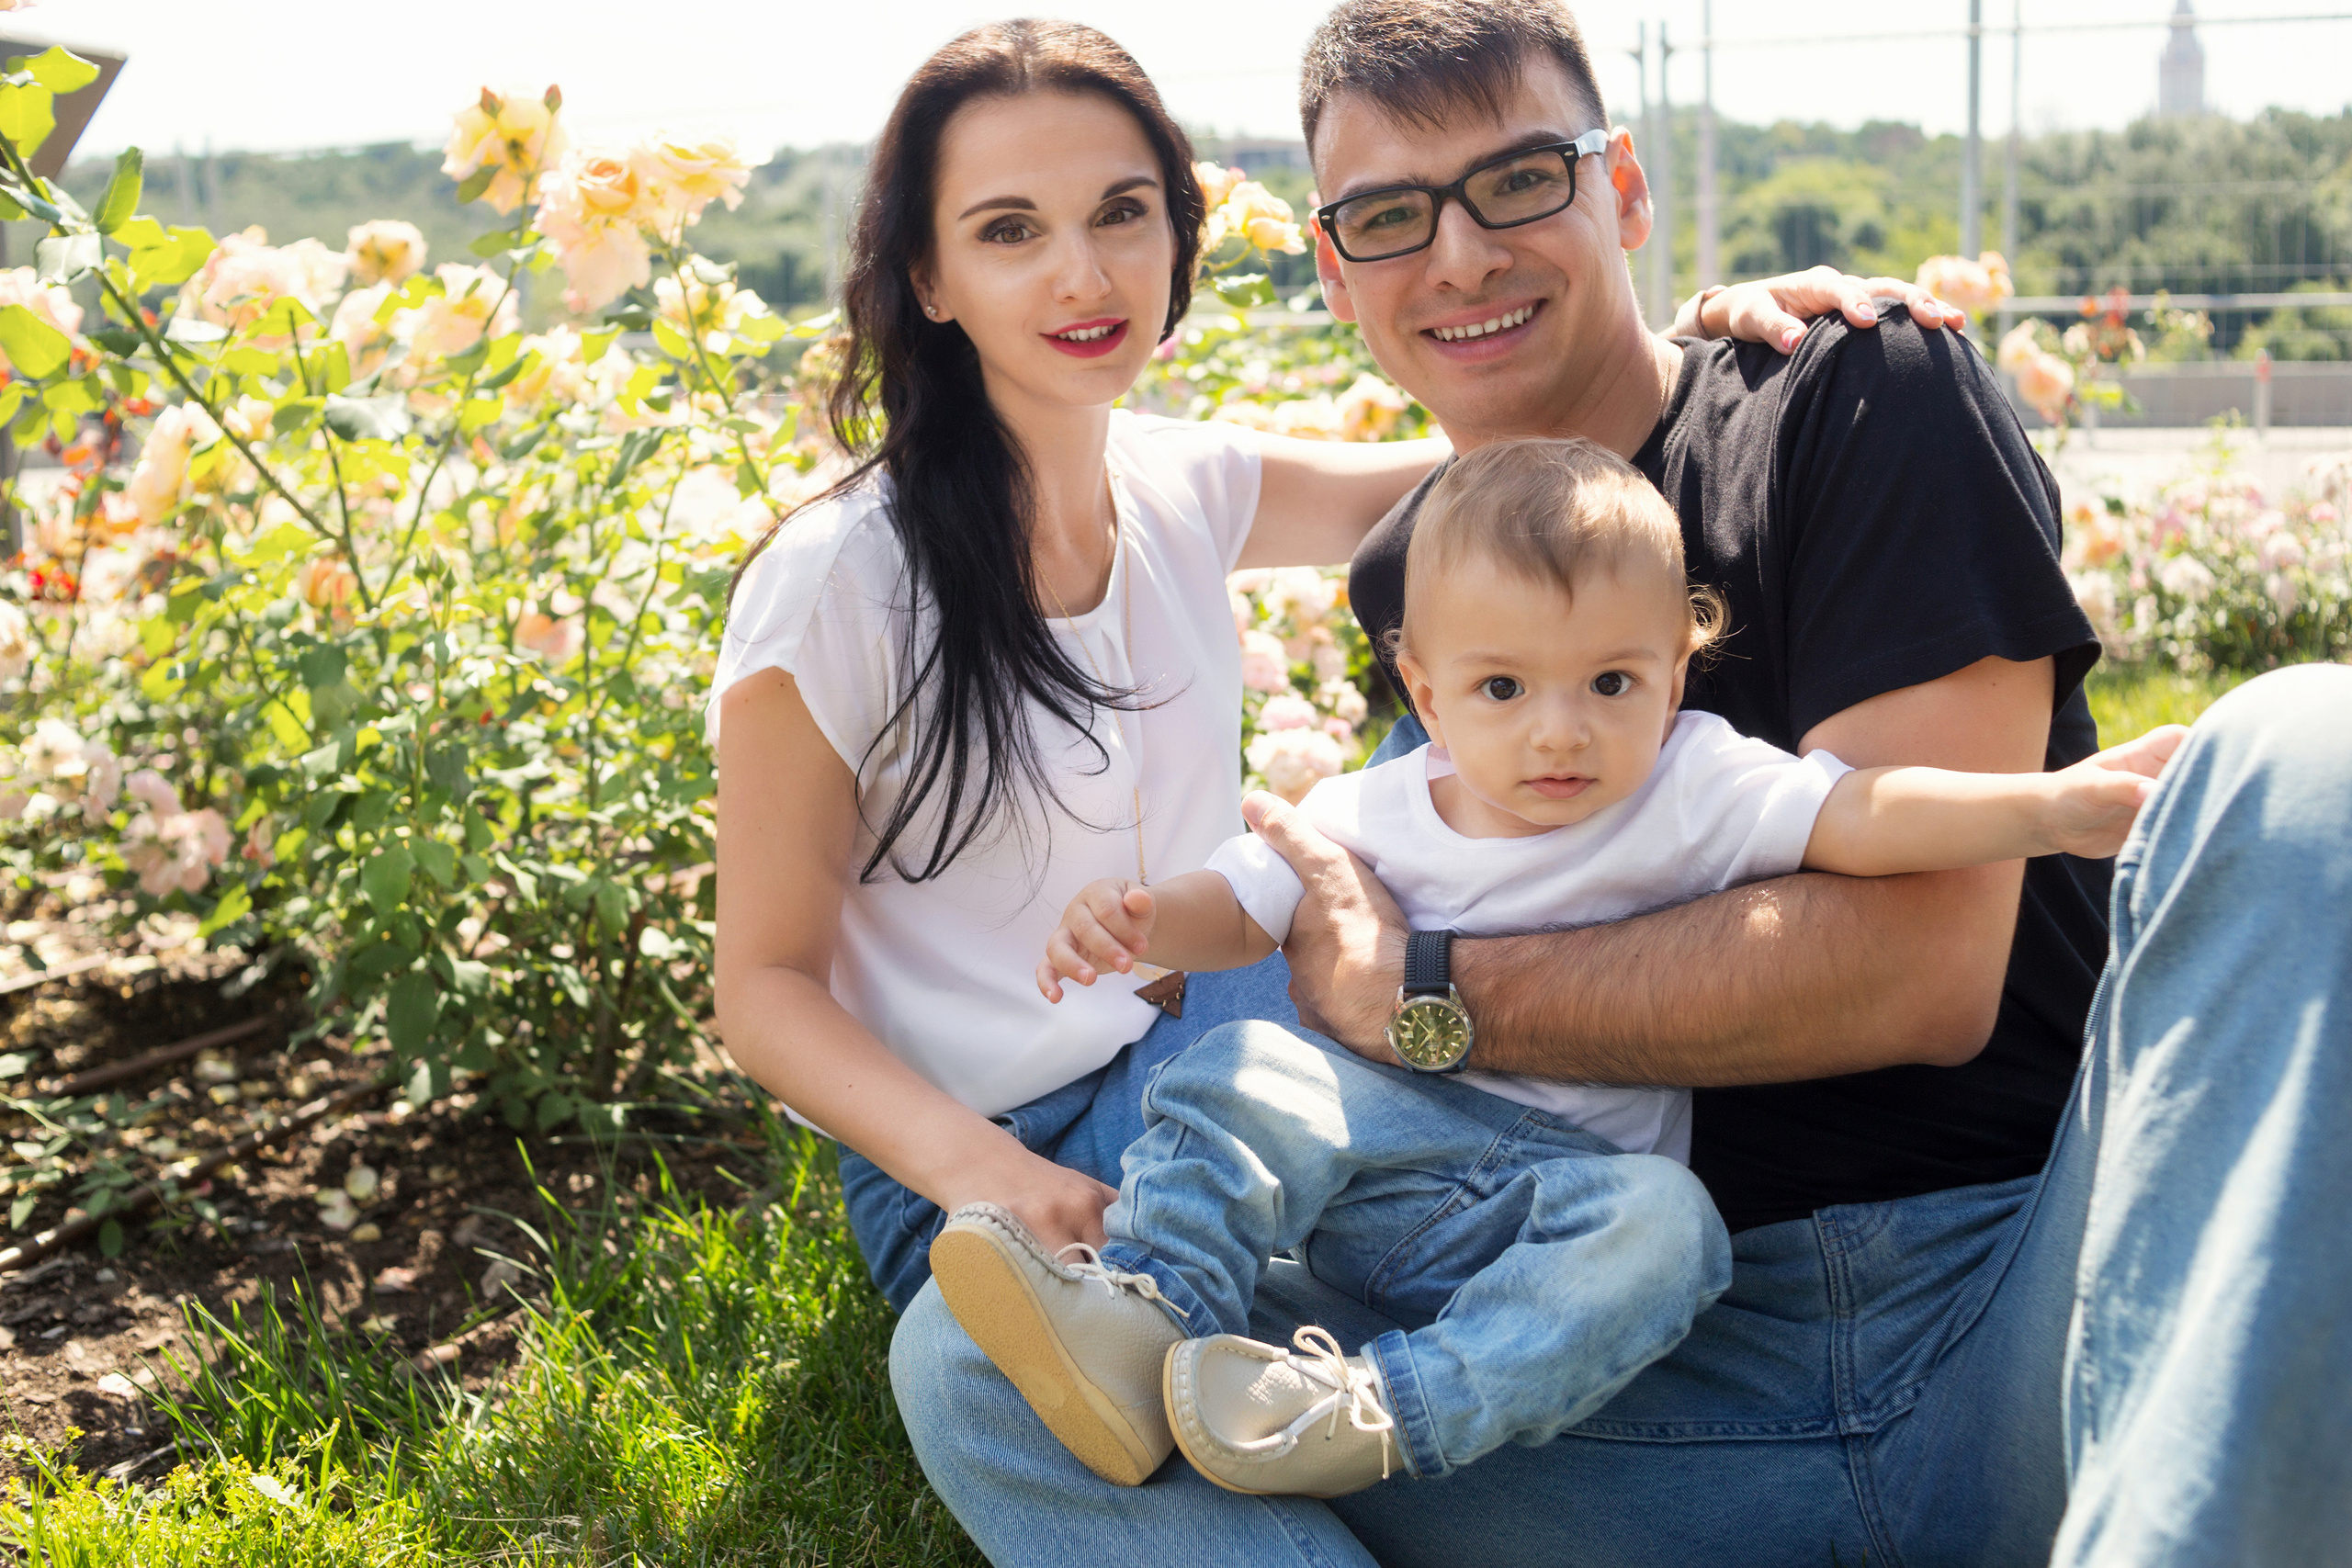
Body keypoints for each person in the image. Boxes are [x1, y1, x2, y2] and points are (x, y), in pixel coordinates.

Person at [887, 3, 2352, 1564]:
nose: (1456, 258)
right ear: (1335, 273)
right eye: (1390, 217)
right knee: (968, 1366)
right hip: (1625, 1377)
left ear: (1625, 190)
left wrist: (1424, 991)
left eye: (1520, 180)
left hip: (2026, 1319)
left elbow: (1918, 975)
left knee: (2306, 751)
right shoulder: (1419, 577)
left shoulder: (1855, 399)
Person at [709, 10, 1939, 1333]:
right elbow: (763, 987)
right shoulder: (840, 580)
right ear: (930, 276)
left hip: (1198, 1058)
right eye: (1010, 231)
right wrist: (983, 1173)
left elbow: (1532, 461)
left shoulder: (1185, 487)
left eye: (1123, 213)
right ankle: (1491, 1289)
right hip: (971, 1153)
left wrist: (1707, 341)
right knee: (1405, 850)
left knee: (1446, 783)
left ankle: (1499, 1288)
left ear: (1178, 237)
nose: (1083, 275)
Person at [926, 436, 2183, 1502]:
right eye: (1503, 687)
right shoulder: (1375, 806)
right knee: (1246, 1066)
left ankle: (1367, 1416)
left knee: (1671, 1232)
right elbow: (1245, 913)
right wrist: (1149, 920)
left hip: (1558, 1210)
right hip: (1389, 1174)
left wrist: (2048, 807)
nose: (1561, 730)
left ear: (1678, 672)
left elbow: (1865, 816)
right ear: (1424, 684)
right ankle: (1154, 1308)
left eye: (1613, 681)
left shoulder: (1694, 780)